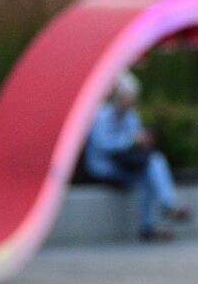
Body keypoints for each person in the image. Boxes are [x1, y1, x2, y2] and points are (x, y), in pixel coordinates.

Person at [82, 71, 192, 242]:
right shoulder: (101, 115)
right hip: (104, 167)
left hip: (125, 165)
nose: (130, 101)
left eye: (132, 97)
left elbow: (137, 143)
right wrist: (130, 140)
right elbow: (103, 144)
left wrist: (144, 142)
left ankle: (154, 220)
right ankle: (163, 210)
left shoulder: (131, 116)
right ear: (118, 96)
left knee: (154, 163)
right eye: (128, 96)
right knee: (149, 171)